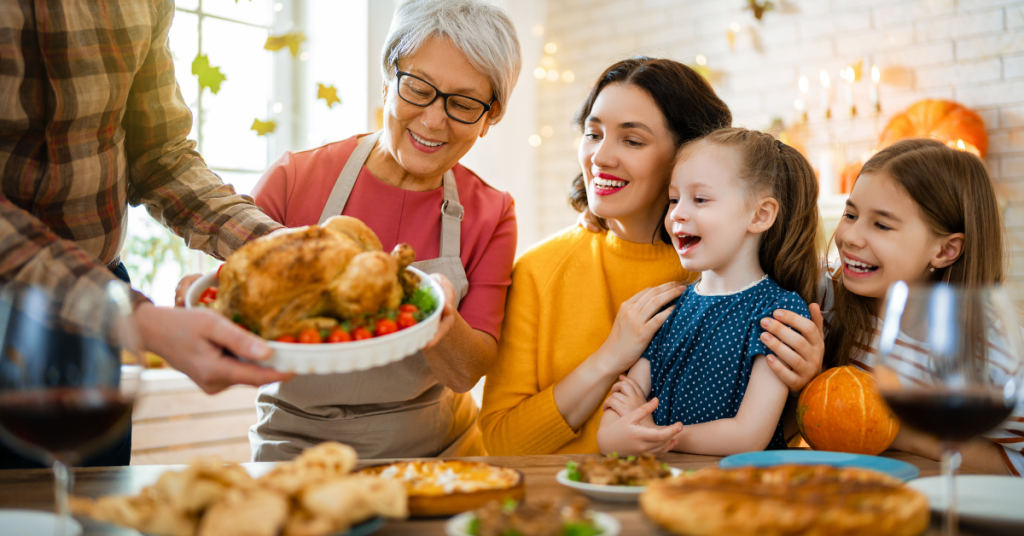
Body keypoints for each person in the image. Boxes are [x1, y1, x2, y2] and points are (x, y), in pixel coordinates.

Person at [0, 1, 290, 469]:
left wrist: (284, 251)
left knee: (93, 511)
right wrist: (141, 322)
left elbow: (160, 157)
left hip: (98, 325)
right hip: (98, 309)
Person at [241, 0, 521, 460]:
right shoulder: (293, 180)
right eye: (416, 87)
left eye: (465, 103)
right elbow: (238, 318)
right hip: (296, 450)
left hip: (440, 454)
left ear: (490, 119)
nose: (433, 120)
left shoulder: (492, 213)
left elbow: (466, 373)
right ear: (386, 80)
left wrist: (437, 318)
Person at [479, 57, 733, 455]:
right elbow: (501, 443)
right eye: (593, 133)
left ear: (687, 154)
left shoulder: (730, 270)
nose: (600, 157)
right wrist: (610, 356)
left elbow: (759, 434)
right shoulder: (538, 271)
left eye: (631, 141)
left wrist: (796, 387)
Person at [597, 128, 821, 455]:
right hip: (663, 492)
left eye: (700, 199)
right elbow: (609, 433)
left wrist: (658, 435)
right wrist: (635, 432)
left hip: (740, 493)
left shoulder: (779, 315)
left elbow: (748, 437)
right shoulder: (669, 309)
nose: (677, 214)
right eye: (674, 199)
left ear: (760, 215)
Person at [817, 139, 1023, 475]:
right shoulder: (826, 295)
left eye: (881, 224)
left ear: (944, 251)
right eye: (850, 213)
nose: (851, 236)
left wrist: (899, 431)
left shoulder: (991, 354)